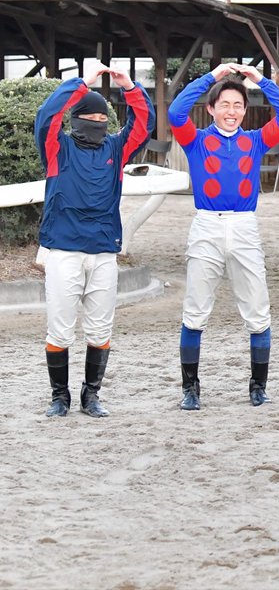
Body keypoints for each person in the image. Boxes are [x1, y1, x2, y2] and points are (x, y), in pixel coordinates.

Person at [168, 63, 279, 409]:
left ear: (245, 110)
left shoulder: (254, 141)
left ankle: (258, 386)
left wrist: (259, 81)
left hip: (244, 225)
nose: (232, 111)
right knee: (195, 309)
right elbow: (176, 111)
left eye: (238, 105)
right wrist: (212, 77)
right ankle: (190, 388)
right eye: (224, 104)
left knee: (257, 309)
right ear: (211, 109)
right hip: (207, 224)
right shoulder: (196, 140)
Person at [35, 66, 154, 417]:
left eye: (104, 116)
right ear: (76, 119)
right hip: (62, 250)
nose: (99, 121)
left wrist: (130, 87)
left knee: (101, 328)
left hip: (104, 250)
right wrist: (82, 82)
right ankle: (60, 396)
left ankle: (91, 395)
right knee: (59, 328)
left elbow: (143, 124)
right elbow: (47, 114)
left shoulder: (116, 149)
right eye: (91, 115)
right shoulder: (57, 147)